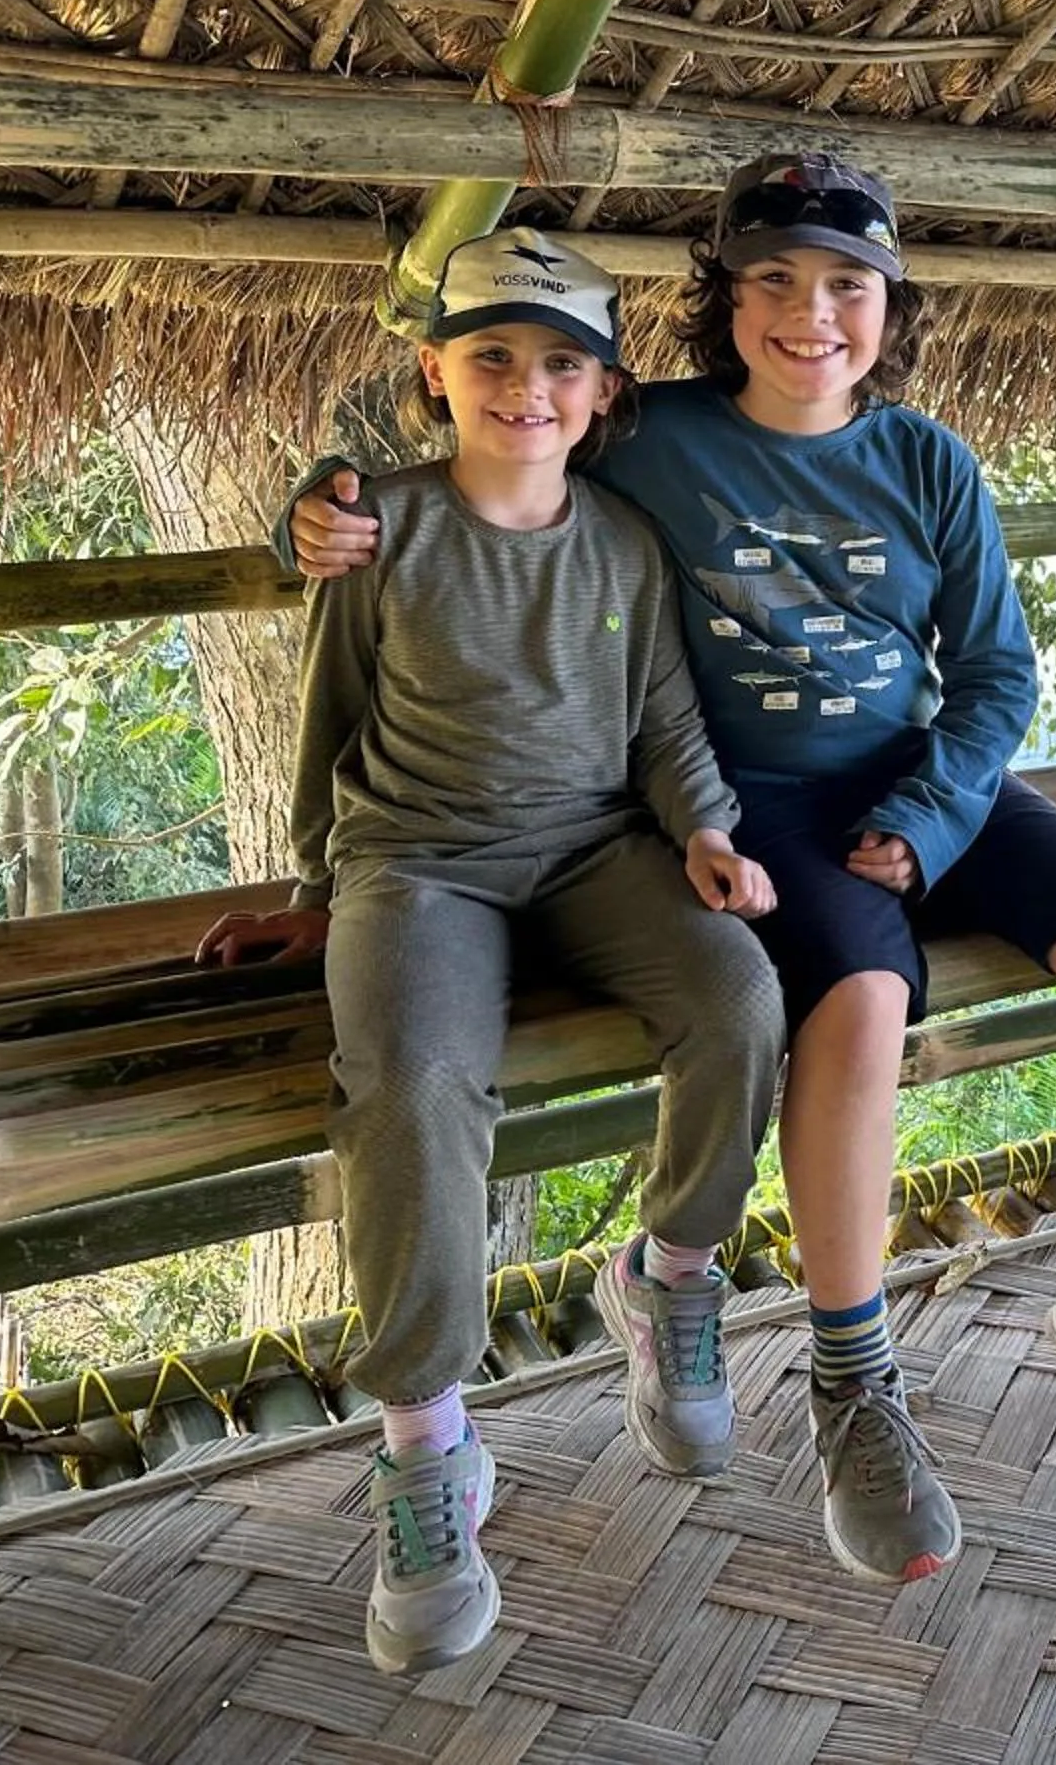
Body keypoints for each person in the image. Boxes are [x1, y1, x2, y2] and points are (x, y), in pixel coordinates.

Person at [285, 157, 1056, 1590]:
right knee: (859, 1001)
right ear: (723, 302)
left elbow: (996, 674)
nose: (813, 314)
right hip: (760, 807)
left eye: (847, 286)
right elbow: (485, 442)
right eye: (776, 282)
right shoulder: (651, 432)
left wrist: (934, 813)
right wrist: (321, 499)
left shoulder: (927, 458)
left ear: (889, 308)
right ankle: (852, 1377)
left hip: (915, 775)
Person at [204, 229, 787, 1675]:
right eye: (493, 359)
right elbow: (326, 726)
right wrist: (310, 888)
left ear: (600, 394)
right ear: (436, 373)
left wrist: (706, 832)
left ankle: (671, 1269)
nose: (526, 389)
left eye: (561, 365)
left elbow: (662, 724)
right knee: (409, 1083)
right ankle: (428, 1450)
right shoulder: (375, 526)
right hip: (416, 860)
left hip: (599, 850)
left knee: (739, 995)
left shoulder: (627, 544)